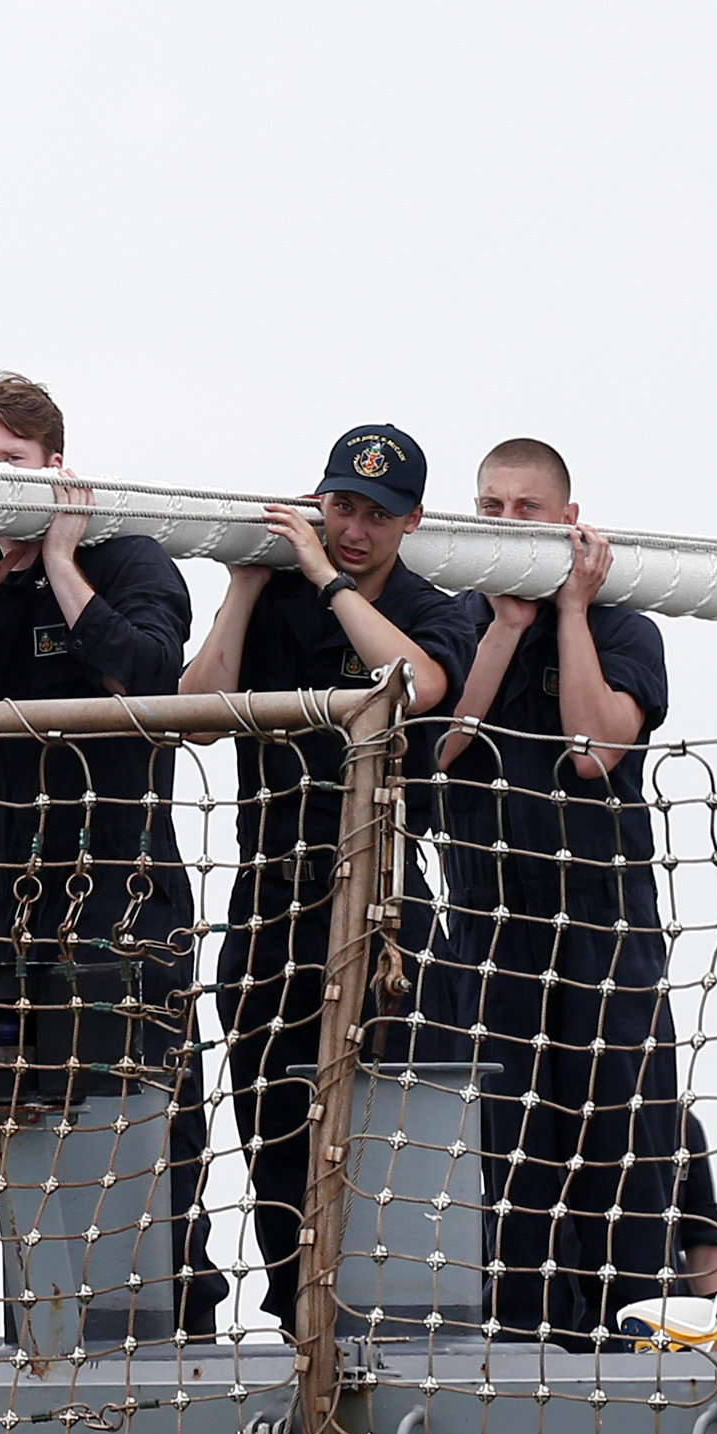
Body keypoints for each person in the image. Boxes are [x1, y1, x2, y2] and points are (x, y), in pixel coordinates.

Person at [0, 370, 224, 1335]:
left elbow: (152, 681)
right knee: (20, 1112)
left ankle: (176, 1326)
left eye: (9, 462)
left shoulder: (133, 558)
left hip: (129, 913)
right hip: (13, 923)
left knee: (152, 1127)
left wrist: (65, 563)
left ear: (55, 466)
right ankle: (47, 1329)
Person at [177, 422, 471, 1334]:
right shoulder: (273, 601)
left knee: (390, 1113)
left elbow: (417, 683)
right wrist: (243, 585)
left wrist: (332, 581)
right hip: (270, 892)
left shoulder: (430, 603)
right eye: (341, 505)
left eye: (377, 514)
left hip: (384, 899)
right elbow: (195, 713)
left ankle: (391, 1313)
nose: (353, 527)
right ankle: (292, 1307)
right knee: (268, 1109)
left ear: (410, 520)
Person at [434, 438, 699, 1342]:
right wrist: (503, 630)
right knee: (508, 1164)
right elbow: (436, 750)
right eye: (491, 508)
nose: (506, 526)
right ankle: (523, 1346)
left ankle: (632, 1342)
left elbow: (596, 749)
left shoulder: (623, 623)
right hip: (485, 926)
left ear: (568, 520)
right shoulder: (452, 618)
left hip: (603, 924)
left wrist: (571, 613)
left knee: (622, 1152)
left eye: (526, 509)